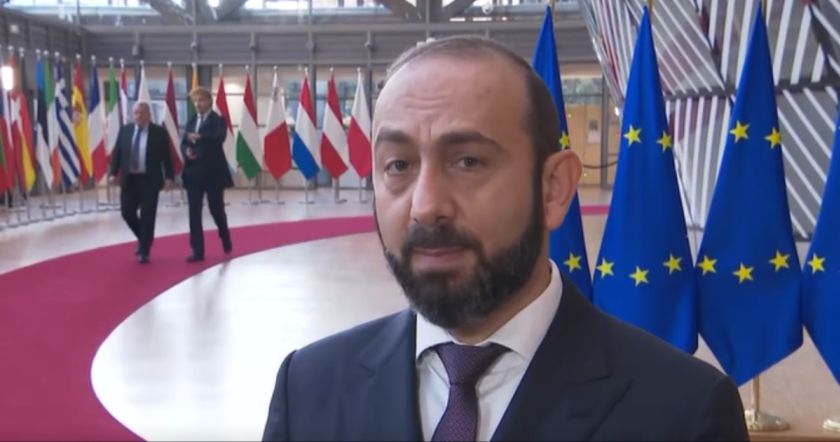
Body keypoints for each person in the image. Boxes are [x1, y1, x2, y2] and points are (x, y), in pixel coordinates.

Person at [263, 37, 749, 441]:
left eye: (468, 161)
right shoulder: (308, 387)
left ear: (554, 188)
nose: (425, 205)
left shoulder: (684, 413)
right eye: (399, 165)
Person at [108, 102, 174, 264]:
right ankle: (145, 238)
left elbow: (167, 157)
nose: (138, 116)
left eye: (141, 113)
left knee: (147, 216)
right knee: (127, 212)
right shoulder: (125, 131)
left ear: (148, 115)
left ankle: (144, 251)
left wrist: (169, 177)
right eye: (135, 113)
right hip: (129, 180)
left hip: (149, 180)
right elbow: (117, 153)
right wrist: (113, 173)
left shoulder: (159, 133)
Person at [181, 86, 234, 262]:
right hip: (193, 172)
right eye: (195, 101)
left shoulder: (218, 120)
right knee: (194, 211)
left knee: (215, 209)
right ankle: (197, 250)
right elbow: (184, 141)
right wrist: (186, 151)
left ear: (209, 101)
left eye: (201, 100)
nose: (198, 104)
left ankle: (224, 235)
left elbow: (219, 137)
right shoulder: (190, 121)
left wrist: (200, 137)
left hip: (213, 173)